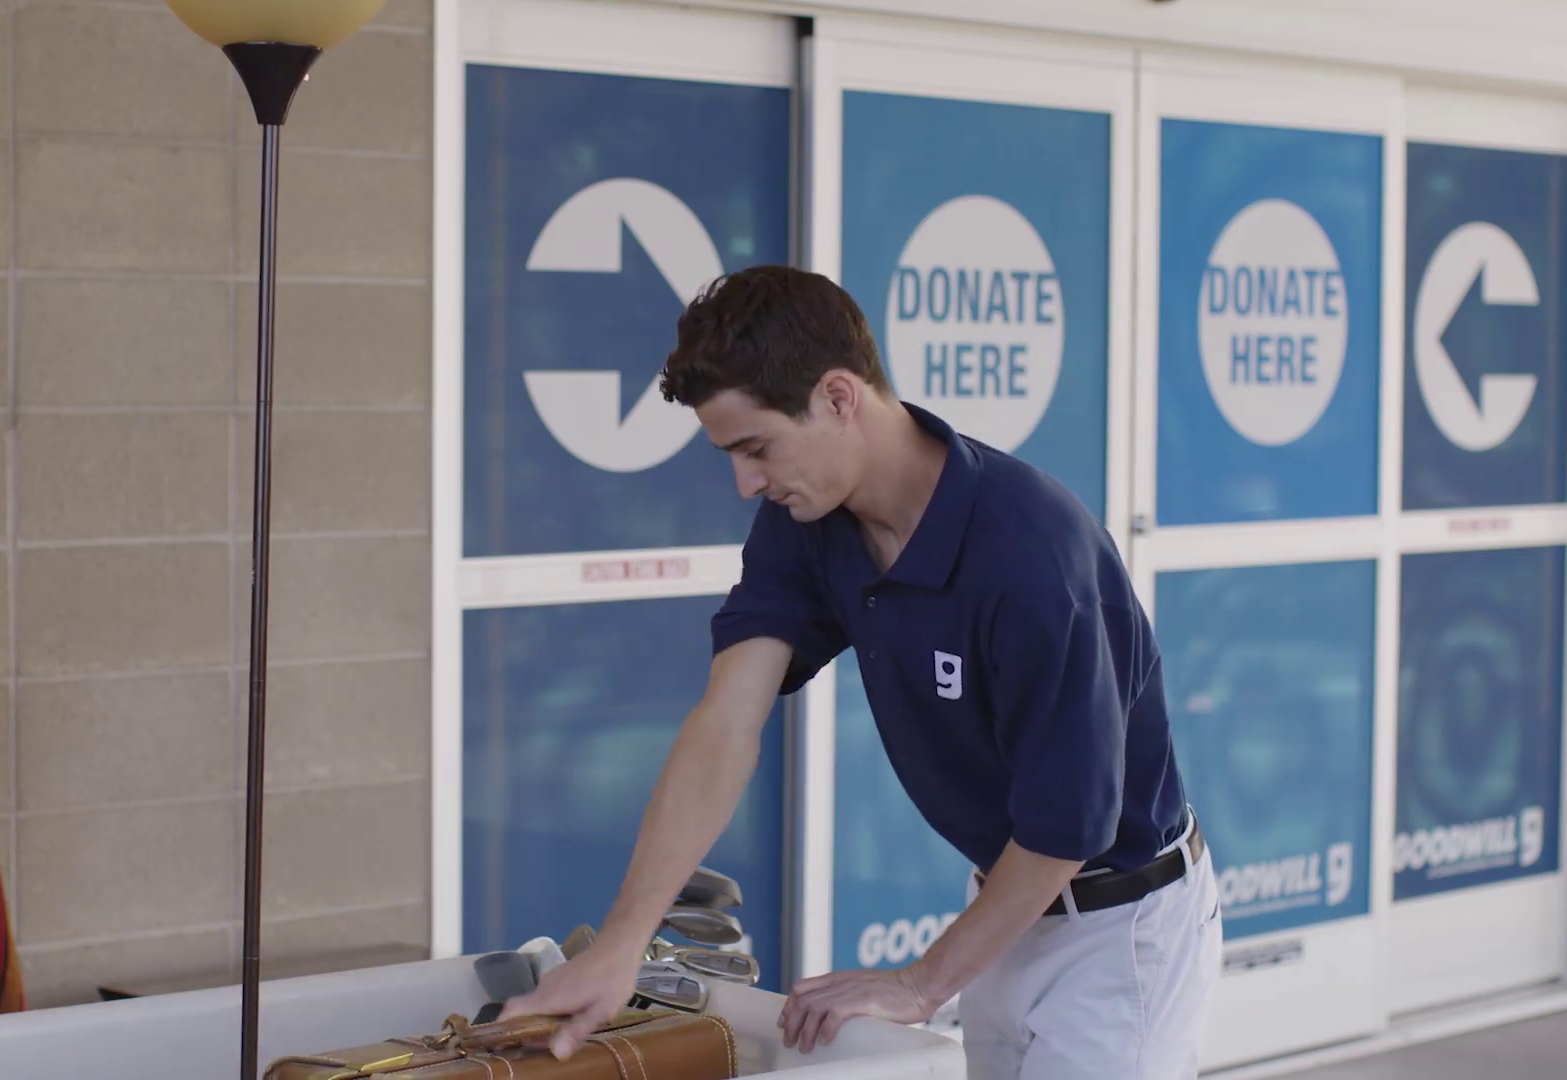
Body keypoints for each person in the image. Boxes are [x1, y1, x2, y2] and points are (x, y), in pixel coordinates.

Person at [499, 265, 1223, 1078]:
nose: (746, 481)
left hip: (1119, 932)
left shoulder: (1030, 555)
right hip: (1008, 910)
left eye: (756, 447)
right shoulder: (808, 520)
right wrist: (621, 946)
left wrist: (920, 984)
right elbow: (726, 723)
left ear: (840, 398)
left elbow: (1066, 830)